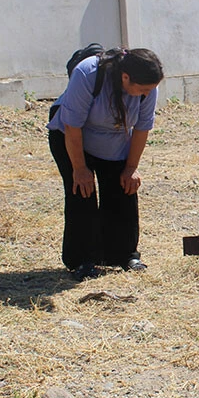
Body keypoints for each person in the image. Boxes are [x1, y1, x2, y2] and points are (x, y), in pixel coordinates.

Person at [47, 47, 164, 281]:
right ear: (125, 78)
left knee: (124, 189)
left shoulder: (148, 88)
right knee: (82, 193)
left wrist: (131, 168)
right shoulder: (88, 73)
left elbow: (141, 129)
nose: (146, 94)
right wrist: (80, 169)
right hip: (72, 137)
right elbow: (72, 127)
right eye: (142, 90)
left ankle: (124, 254)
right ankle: (82, 260)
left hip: (113, 139)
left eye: (149, 90)